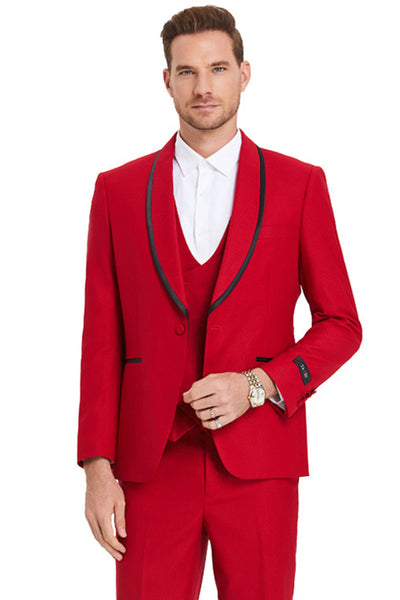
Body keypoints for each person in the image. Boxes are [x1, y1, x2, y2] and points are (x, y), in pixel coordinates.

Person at [77, 5, 362, 599]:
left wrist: (257, 385)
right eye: (187, 72)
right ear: (167, 81)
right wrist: (96, 468)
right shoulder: (117, 191)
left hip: (260, 459)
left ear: (244, 73)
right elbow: (102, 339)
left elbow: (341, 324)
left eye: (218, 68)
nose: (203, 86)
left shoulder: (299, 185)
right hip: (150, 465)